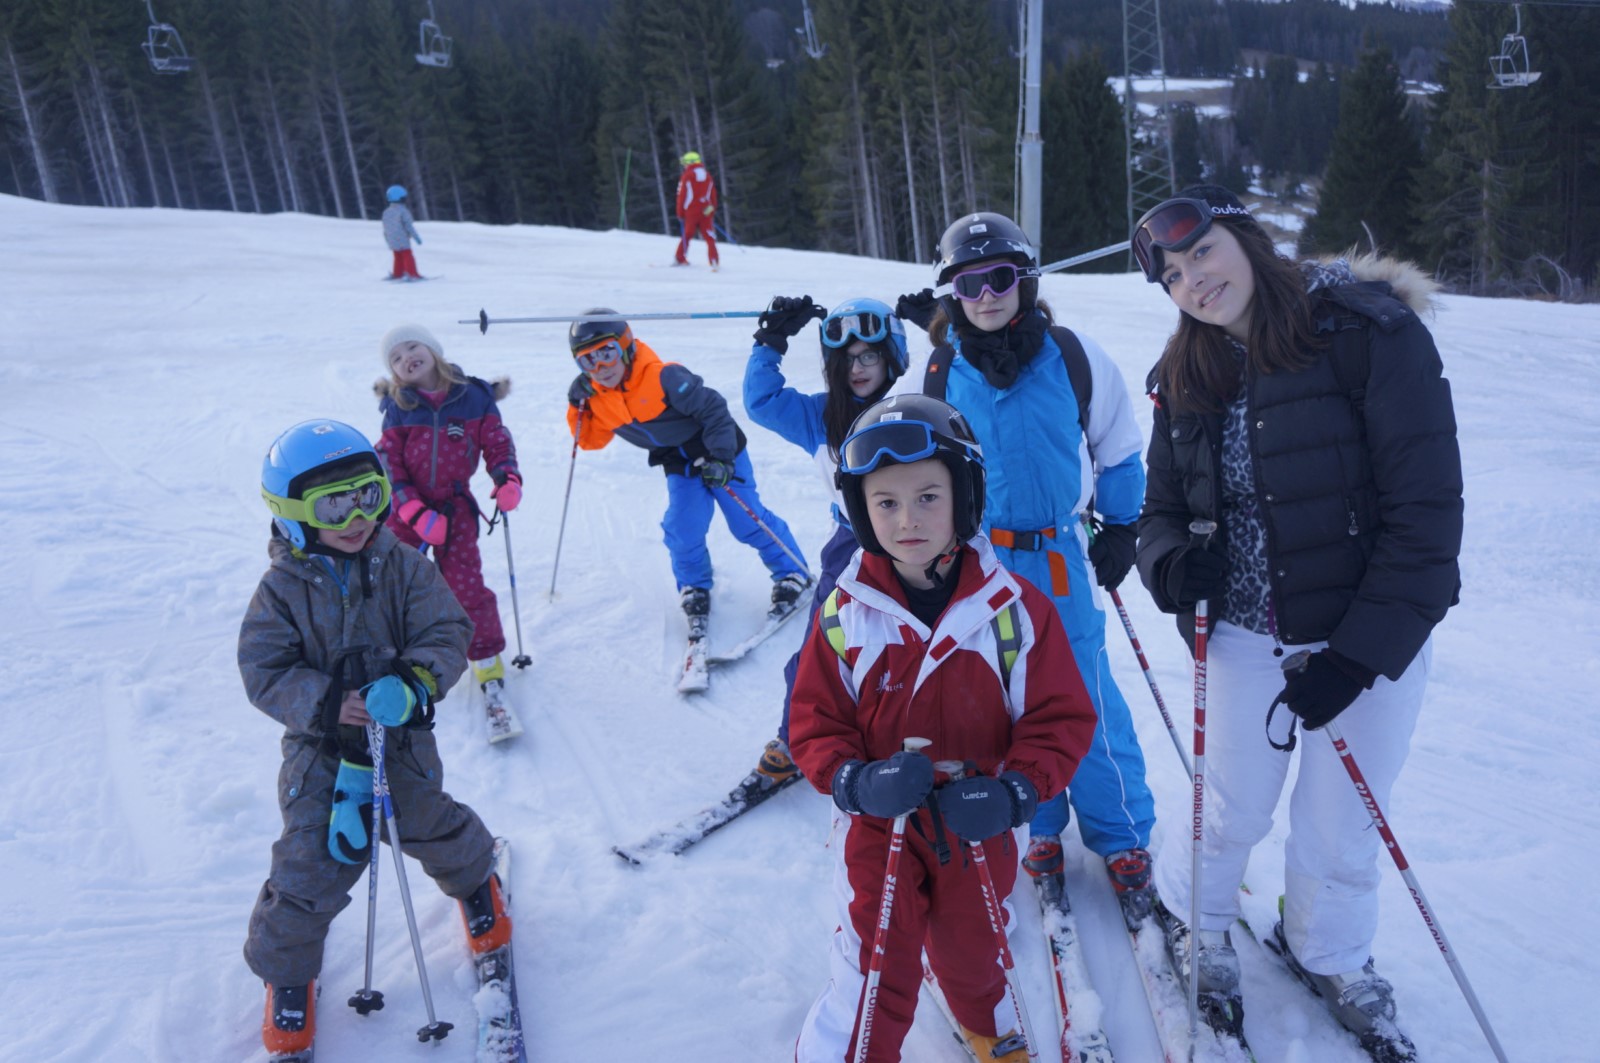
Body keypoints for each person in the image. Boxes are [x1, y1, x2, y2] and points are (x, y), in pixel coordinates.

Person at [1131, 184, 1462, 1053]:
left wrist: (1354, 658)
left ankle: (1329, 951)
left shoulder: (1367, 333)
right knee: (1232, 805)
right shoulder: (1186, 372)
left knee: (1344, 818)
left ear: (1245, 237)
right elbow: (1159, 511)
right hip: (1241, 634)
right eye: (1172, 275)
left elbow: (1427, 518)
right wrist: (1172, 565)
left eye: (1202, 251)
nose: (1193, 281)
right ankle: (1194, 916)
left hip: (1364, 634)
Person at [789, 395, 1098, 1063]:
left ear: (965, 495)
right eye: (887, 502)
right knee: (875, 960)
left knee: (976, 942)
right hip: (879, 827)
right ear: (862, 511)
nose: (908, 519)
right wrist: (856, 783)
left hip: (977, 821)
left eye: (928, 497)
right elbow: (814, 722)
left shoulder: (1013, 610)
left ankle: (984, 1015)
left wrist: (1017, 792)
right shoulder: (846, 614)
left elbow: (1059, 717)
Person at [895, 211, 1159, 927]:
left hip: (1059, 554)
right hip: (980, 560)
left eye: (1001, 277)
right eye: (969, 283)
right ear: (951, 293)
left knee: (1085, 694)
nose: (987, 295)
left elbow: (1119, 448)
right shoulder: (939, 370)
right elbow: (922, 471)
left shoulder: (1072, 355)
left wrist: (1122, 526)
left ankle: (1121, 833)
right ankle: (1039, 822)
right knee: (1007, 700)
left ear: (1027, 280)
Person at [242, 419, 510, 1059]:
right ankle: (287, 973)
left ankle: (479, 880)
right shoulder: (281, 591)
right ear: (292, 513)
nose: (357, 516)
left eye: (368, 495)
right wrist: (326, 701)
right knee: (308, 864)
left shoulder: (402, 565)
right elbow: (264, 669)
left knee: (429, 823)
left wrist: (417, 682)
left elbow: (447, 630)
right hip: (321, 754)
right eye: (333, 505)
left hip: (401, 741)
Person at [738, 294, 909, 788]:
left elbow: (970, 387)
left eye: (869, 355)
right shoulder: (821, 416)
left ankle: (907, 734)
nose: (857, 368)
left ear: (892, 355)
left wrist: (947, 332)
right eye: (846, 358)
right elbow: (762, 402)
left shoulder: (918, 398)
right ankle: (794, 739)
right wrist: (771, 341)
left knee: (910, 648)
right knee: (822, 645)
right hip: (851, 546)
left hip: (920, 545)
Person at [564, 308, 809, 639]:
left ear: (626, 345)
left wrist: (722, 458)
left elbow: (715, 410)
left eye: (606, 353)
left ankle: (792, 572)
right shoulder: (596, 397)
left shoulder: (663, 377)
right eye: (587, 360)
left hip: (719, 449)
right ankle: (694, 586)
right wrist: (576, 406)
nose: (600, 368)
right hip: (679, 461)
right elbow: (589, 441)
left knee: (745, 519)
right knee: (682, 527)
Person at [375, 323, 523, 718]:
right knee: (392, 580)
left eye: (412, 347)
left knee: (465, 585)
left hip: (456, 509)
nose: (406, 358)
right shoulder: (398, 406)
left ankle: (486, 659)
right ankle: (388, 652)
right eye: (395, 357)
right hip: (408, 511)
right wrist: (414, 512)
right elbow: (388, 464)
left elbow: (497, 441)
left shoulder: (473, 397)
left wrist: (507, 478)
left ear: (432, 349)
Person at [673, 151, 719, 270]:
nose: (684, 166)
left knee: (688, 234)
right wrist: (712, 208)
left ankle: (680, 258)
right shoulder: (707, 175)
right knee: (709, 235)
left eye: (685, 163)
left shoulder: (687, 176)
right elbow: (713, 194)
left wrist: (680, 212)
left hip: (691, 211)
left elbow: (681, 195)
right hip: (706, 210)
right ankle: (714, 259)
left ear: (690, 163)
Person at [382, 184, 423, 281]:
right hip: (402, 238)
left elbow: (386, 228)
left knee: (397, 255)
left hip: (391, 239)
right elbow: (408, 226)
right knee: (407, 254)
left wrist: (388, 240)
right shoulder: (403, 211)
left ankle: (398, 273)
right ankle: (412, 274)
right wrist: (416, 237)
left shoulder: (386, 212)